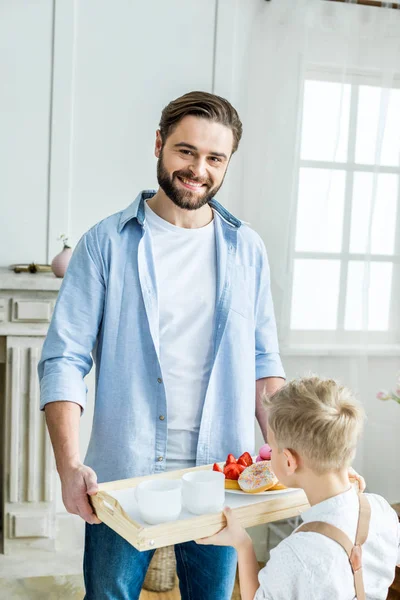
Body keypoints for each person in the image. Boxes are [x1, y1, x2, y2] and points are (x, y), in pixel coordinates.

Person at [38, 90, 286, 600]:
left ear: (227, 163)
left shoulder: (248, 250)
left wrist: (289, 450)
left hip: (221, 476)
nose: (199, 170)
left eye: (215, 158)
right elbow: (64, 359)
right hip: (124, 476)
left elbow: (265, 364)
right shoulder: (104, 243)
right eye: (186, 151)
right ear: (159, 144)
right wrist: (67, 467)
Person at [198, 376, 400, 599]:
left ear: (288, 461)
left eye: (272, 449)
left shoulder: (297, 554)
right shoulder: (382, 511)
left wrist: (243, 544)